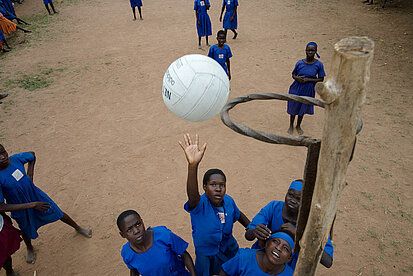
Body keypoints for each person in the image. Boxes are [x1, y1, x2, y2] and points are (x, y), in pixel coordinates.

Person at [0, 144, 92, 264]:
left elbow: (32, 155)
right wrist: (32, 205)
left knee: (57, 212)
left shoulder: (16, 159)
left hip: (36, 195)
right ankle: (29, 247)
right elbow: (1, 206)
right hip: (21, 207)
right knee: (26, 227)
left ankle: (78, 228)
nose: (2, 157)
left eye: (3, 152)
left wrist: (30, 174)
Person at [179, 133, 251, 276]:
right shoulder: (199, 205)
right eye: (213, 185)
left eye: (222, 185)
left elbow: (238, 214)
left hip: (228, 249)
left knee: (231, 271)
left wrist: (250, 226)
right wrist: (193, 165)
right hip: (206, 254)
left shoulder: (228, 201)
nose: (218, 189)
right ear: (204, 187)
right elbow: (192, 195)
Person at [244, 180, 334, 268]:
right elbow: (248, 235)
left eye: (299, 199)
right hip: (266, 255)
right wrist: (255, 231)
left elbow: (328, 261)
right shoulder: (274, 207)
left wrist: (301, 236)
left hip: (292, 265)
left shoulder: (313, 222)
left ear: (308, 203)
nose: (293, 200)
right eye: (290, 195)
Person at [118, 210, 196, 276]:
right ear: (122, 235)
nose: (136, 231)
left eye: (138, 224)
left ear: (142, 221)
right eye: (129, 230)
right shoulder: (127, 253)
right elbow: (134, 270)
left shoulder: (163, 235)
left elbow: (184, 254)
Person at [286, 42, 325, 135]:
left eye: (312, 50)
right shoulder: (300, 63)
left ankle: (298, 125)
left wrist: (308, 80)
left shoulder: (319, 65)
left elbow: (321, 78)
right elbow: (293, 74)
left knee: (303, 107)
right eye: (308, 50)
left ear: (316, 51)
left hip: (308, 89)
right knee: (293, 106)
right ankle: (291, 124)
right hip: (296, 87)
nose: (310, 52)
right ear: (305, 51)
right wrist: (297, 78)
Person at [220, 230, 295, 276]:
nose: (278, 248)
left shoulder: (290, 274)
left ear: (289, 259)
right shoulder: (244, 257)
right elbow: (225, 272)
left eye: (285, 248)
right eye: (275, 242)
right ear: (266, 244)